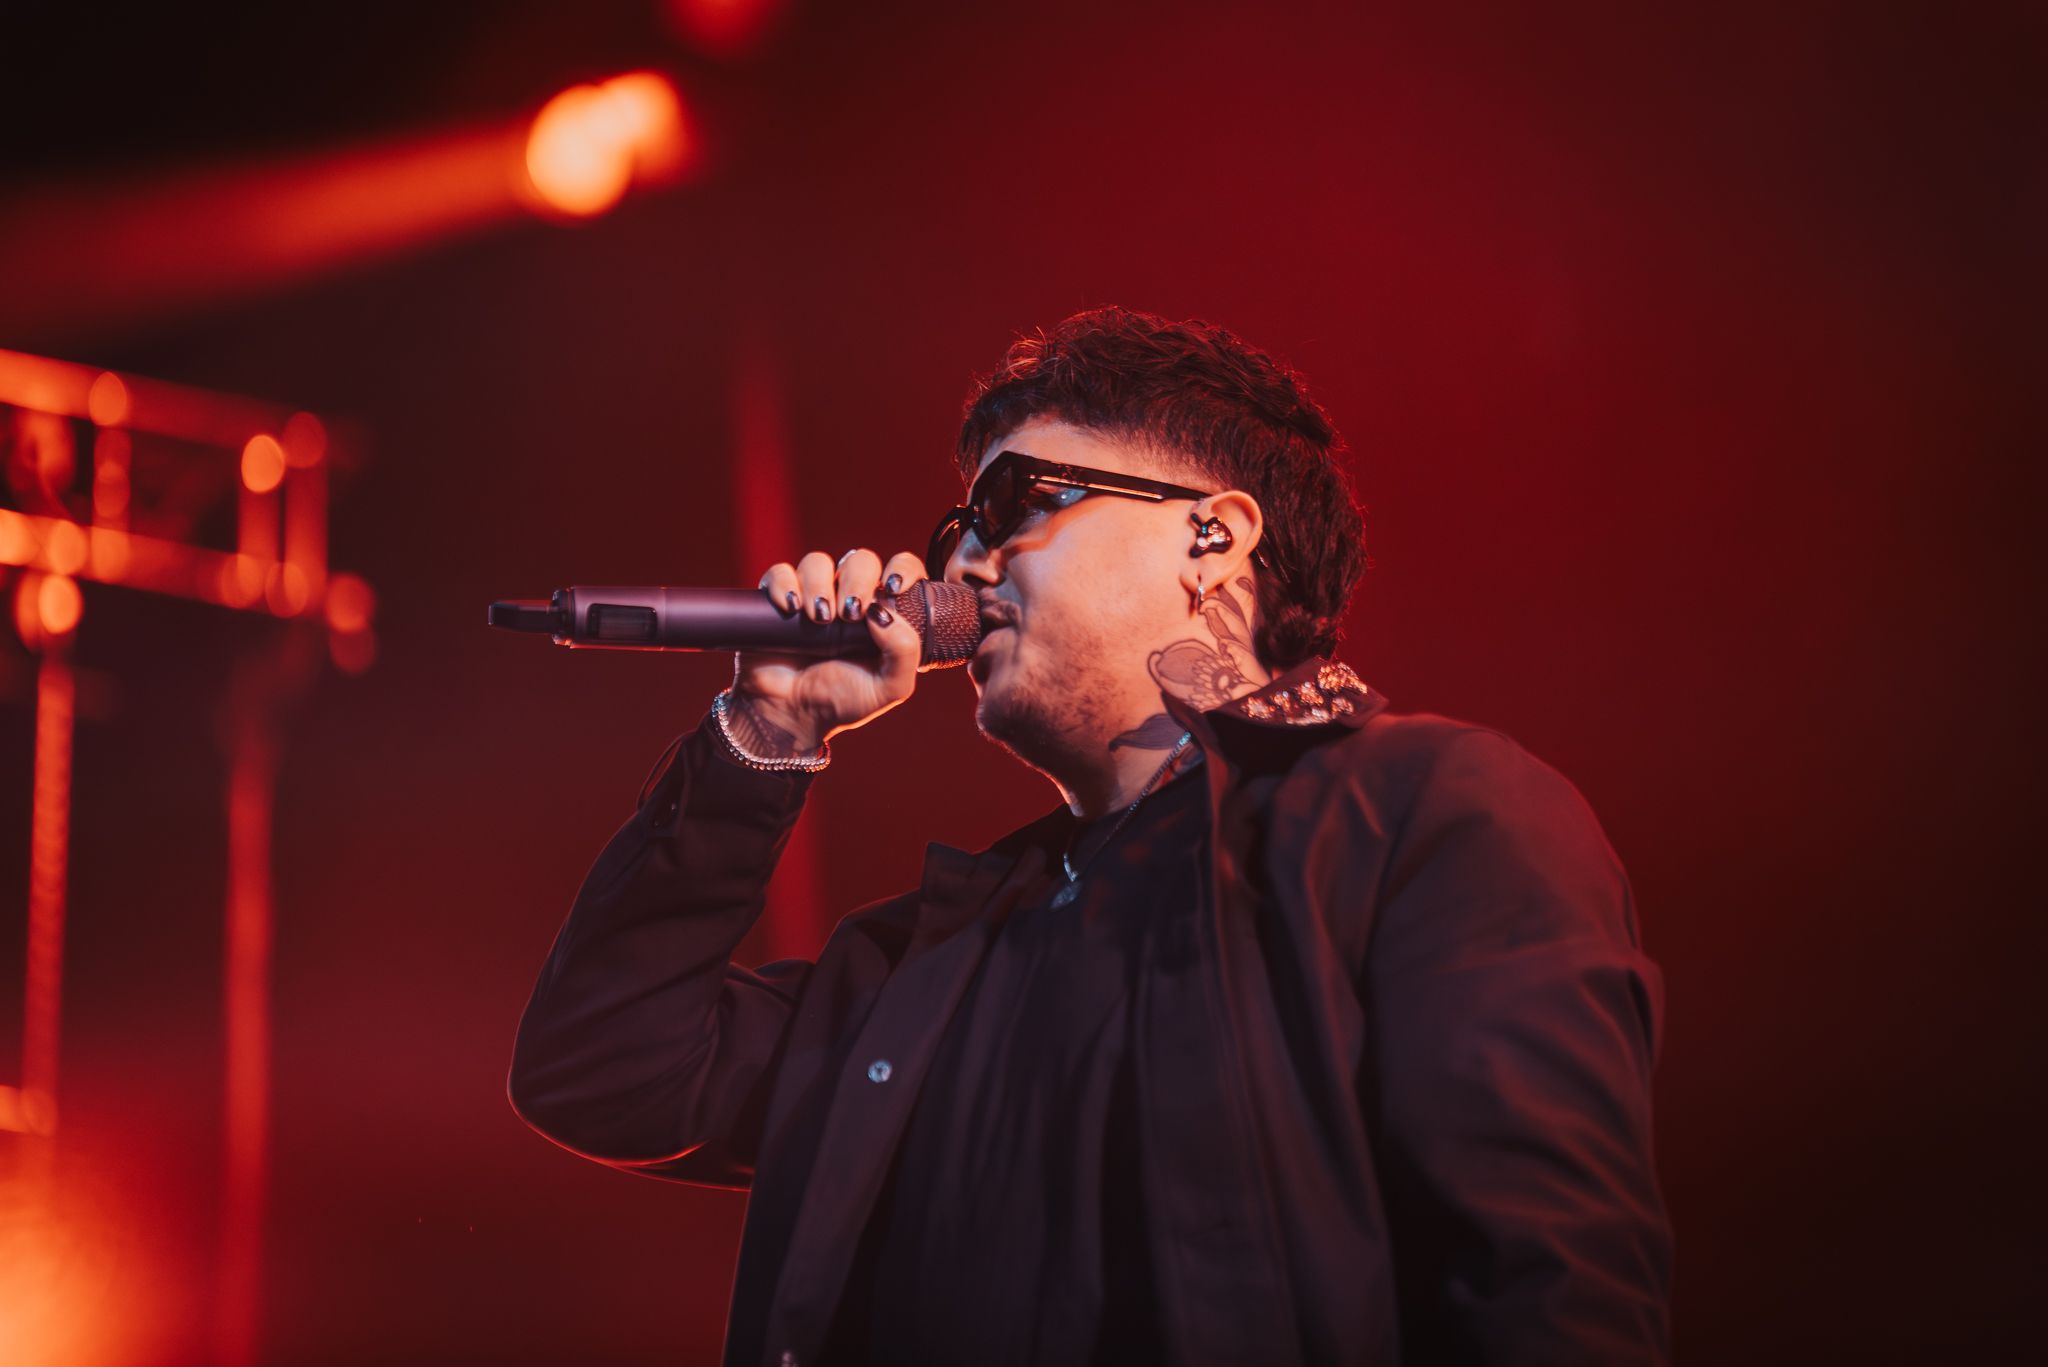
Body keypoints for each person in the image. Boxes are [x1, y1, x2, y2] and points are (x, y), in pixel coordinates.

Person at [507, 307, 1673, 1366]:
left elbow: (1543, 1295)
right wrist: (765, 730)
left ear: (1210, 535)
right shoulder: (923, 965)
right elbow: (604, 1065)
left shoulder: (1426, 814)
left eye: (1018, 504)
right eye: (957, 525)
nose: (961, 560)